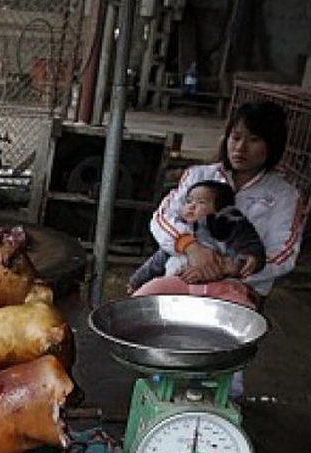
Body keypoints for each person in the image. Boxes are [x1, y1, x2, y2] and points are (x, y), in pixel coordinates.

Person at [135, 101, 304, 309]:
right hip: (181, 275)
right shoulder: (199, 175)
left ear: (273, 145)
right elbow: (162, 219)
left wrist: (228, 266)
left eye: (254, 140)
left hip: (240, 286)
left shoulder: (284, 194)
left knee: (234, 334)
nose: (240, 148)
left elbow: (283, 253)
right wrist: (191, 247)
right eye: (236, 137)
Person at [127, 180, 266, 293]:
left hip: (217, 287)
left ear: (222, 208)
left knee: (240, 301)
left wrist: (248, 259)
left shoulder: (227, 226)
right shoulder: (180, 234)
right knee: (146, 293)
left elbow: (248, 245)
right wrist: (136, 281)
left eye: (201, 202)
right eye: (188, 201)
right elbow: (155, 263)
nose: (192, 206)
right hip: (176, 284)